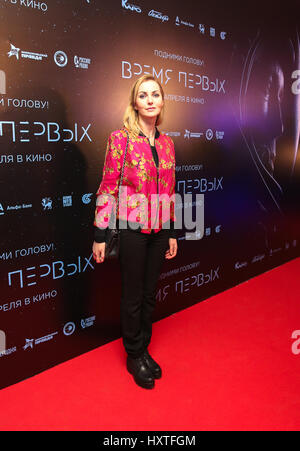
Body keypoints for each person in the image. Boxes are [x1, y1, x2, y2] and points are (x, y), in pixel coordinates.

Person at [92, 75, 178, 389]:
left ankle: (144, 349)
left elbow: (169, 190)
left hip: (158, 229)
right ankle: (134, 354)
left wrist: (170, 231)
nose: (151, 100)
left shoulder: (167, 143)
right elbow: (108, 186)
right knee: (132, 296)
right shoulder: (121, 138)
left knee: (149, 294)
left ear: (163, 101)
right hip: (131, 227)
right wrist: (100, 233)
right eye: (144, 95)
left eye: (156, 94)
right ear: (135, 103)